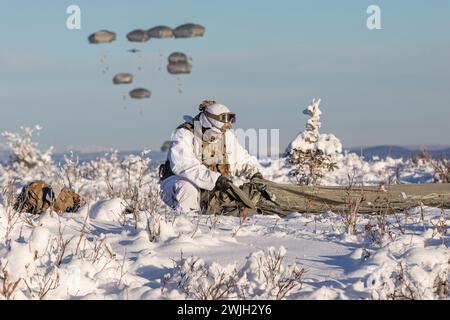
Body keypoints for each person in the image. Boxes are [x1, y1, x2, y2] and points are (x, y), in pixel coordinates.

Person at [159, 100, 262, 213]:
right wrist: (215, 179)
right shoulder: (183, 134)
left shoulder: (225, 136)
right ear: (206, 124)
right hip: (177, 184)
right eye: (216, 133)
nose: (219, 137)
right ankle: (186, 223)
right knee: (188, 188)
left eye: (221, 133)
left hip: (211, 186)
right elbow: (185, 166)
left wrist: (255, 173)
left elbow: (241, 159)